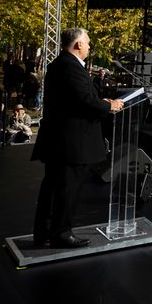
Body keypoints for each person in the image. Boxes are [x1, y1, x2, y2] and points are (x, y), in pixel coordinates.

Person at [31, 28, 125, 249]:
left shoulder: (61, 64)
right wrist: (108, 105)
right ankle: (61, 233)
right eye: (88, 42)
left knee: (54, 189)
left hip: (62, 142)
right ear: (78, 45)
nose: (90, 46)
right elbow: (83, 100)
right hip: (71, 143)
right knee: (66, 189)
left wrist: (102, 101)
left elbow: (78, 97)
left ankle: (44, 232)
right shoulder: (69, 66)